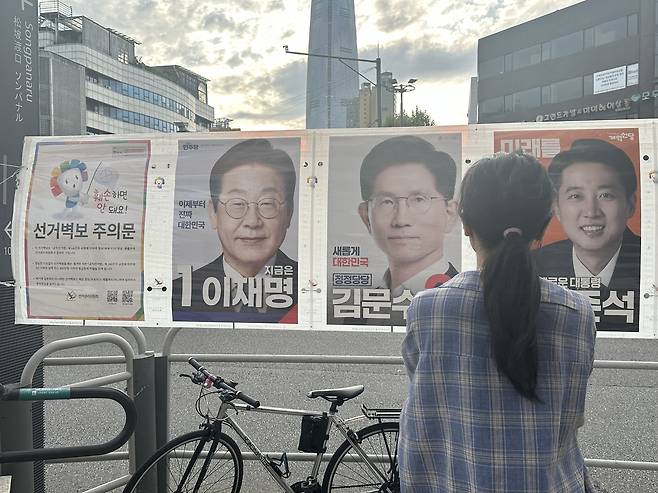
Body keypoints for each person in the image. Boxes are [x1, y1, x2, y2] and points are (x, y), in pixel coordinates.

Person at [399, 152, 597, 492]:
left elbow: (426, 406)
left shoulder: (428, 310)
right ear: (544, 226)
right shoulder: (576, 314)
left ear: (466, 225)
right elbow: (571, 418)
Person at [172, 138, 298, 323]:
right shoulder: (179, 292)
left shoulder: (314, 288)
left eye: (267, 204)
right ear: (213, 213)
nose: (252, 221)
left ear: (288, 214)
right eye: (237, 204)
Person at [534, 139, 640, 331]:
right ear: (556, 207)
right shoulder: (532, 266)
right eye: (576, 196)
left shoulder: (650, 264)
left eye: (605, 195)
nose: (591, 212)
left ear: (631, 204)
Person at [357, 135, 459, 298]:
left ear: (450, 213)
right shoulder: (359, 308)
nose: (401, 220)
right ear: (366, 217)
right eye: (387, 202)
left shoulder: (461, 300)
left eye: (418, 200)